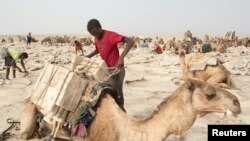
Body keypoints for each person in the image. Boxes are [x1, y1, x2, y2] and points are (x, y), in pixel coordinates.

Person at [86, 19, 134, 112]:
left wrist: (121, 58)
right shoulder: (96, 38)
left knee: (118, 93)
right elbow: (97, 50)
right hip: (107, 70)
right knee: (109, 93)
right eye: (93, 34)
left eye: (96, 33)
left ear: (100, 27)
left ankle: (123, 114)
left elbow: (130, 41)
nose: (96, 36)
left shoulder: (110, 35)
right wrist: (87, 57)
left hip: (117, 69)